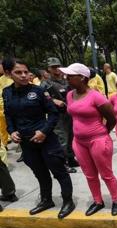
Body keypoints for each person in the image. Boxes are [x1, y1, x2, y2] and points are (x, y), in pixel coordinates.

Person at [2, 58, 75, 218]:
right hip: (27, 143)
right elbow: (9, 114)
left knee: (59, 171)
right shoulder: (7, 92)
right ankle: (46, 200)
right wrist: (12, 131)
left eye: (25, 72)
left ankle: (68, 201)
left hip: (46, 140)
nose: (23, 76)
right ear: (8, 73)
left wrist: (43, 131)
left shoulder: (39, 91)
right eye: (18, 72)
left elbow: (54, 114)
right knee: (40, 173)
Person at [60, 63, 117, 216]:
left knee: (106, 174)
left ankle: (116, 200)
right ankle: (98, 201)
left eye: (70, 75)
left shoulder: (96, 96)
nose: (66, 78)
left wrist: (103, 134)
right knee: (90, 174)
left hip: (98, 141)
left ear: (82, 78)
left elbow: (112, 118)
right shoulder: (70, 94)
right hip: (79, 142)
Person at [40, 57, 79, 172]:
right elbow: (41, 98)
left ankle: (71, 159)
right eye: (53, 67)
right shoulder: (45, 84)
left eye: (58, 66)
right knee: (62, 139)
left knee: (72, 137)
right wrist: (53, 101)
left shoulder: (67, 81)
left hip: (70, 112)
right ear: (49, 69)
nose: (56, 69)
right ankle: (63, 164)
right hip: (57, 115)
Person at [0, 60, 13, 147]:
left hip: (14, 108)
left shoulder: (14, 78)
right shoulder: (1, 80)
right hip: (2, 109)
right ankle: (4, 145)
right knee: (2, 128)